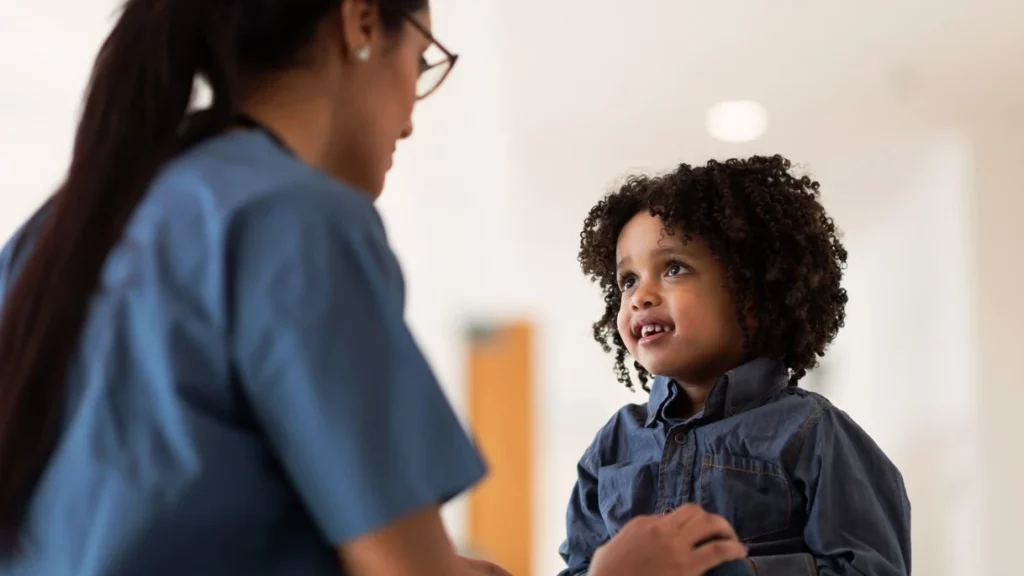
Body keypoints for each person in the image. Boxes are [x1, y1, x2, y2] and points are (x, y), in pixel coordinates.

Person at [0, 1, 753, 575]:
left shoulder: (58, 231)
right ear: (360, 21)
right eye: (422, 59)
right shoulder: (294, 219)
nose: (412, 121)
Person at [560, 155, 913, 576]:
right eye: (628, 280)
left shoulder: (813, 434)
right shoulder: (613, 445)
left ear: (754, 297)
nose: (640, 297)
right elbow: (581, 566)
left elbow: (871, 569)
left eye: (673, 268)